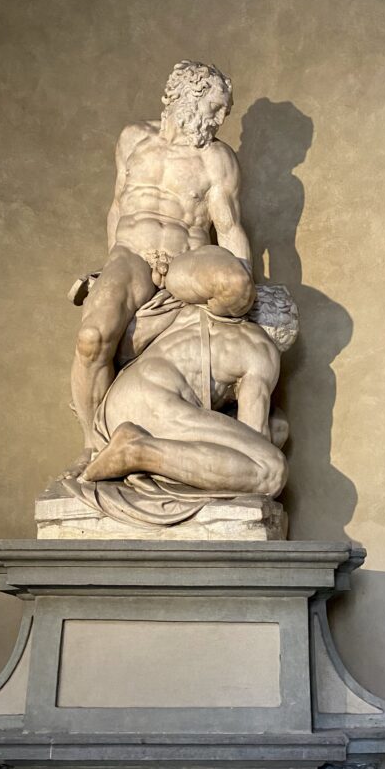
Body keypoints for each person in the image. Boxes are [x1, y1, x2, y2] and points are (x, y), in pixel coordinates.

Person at [69, 61, 255, 471]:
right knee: (91, 338)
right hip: (131, 257)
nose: (219, 120)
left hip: (185, 261)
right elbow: (118, 208)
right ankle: (95, 445)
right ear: (188, 94)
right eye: (215, 107)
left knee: (235, 282)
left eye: (224, 112)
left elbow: (229, 229)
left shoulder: (217, 159)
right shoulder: (133, 138)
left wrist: (245, 297)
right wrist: (111, 270)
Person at [76, 286, 298, 514]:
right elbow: (255, 437)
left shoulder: (194, 311)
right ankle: (136, 451)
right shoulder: (262, 348)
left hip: (116, 406)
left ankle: (135, 449)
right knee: (271, 471)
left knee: (278, 426)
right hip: (156, 406)